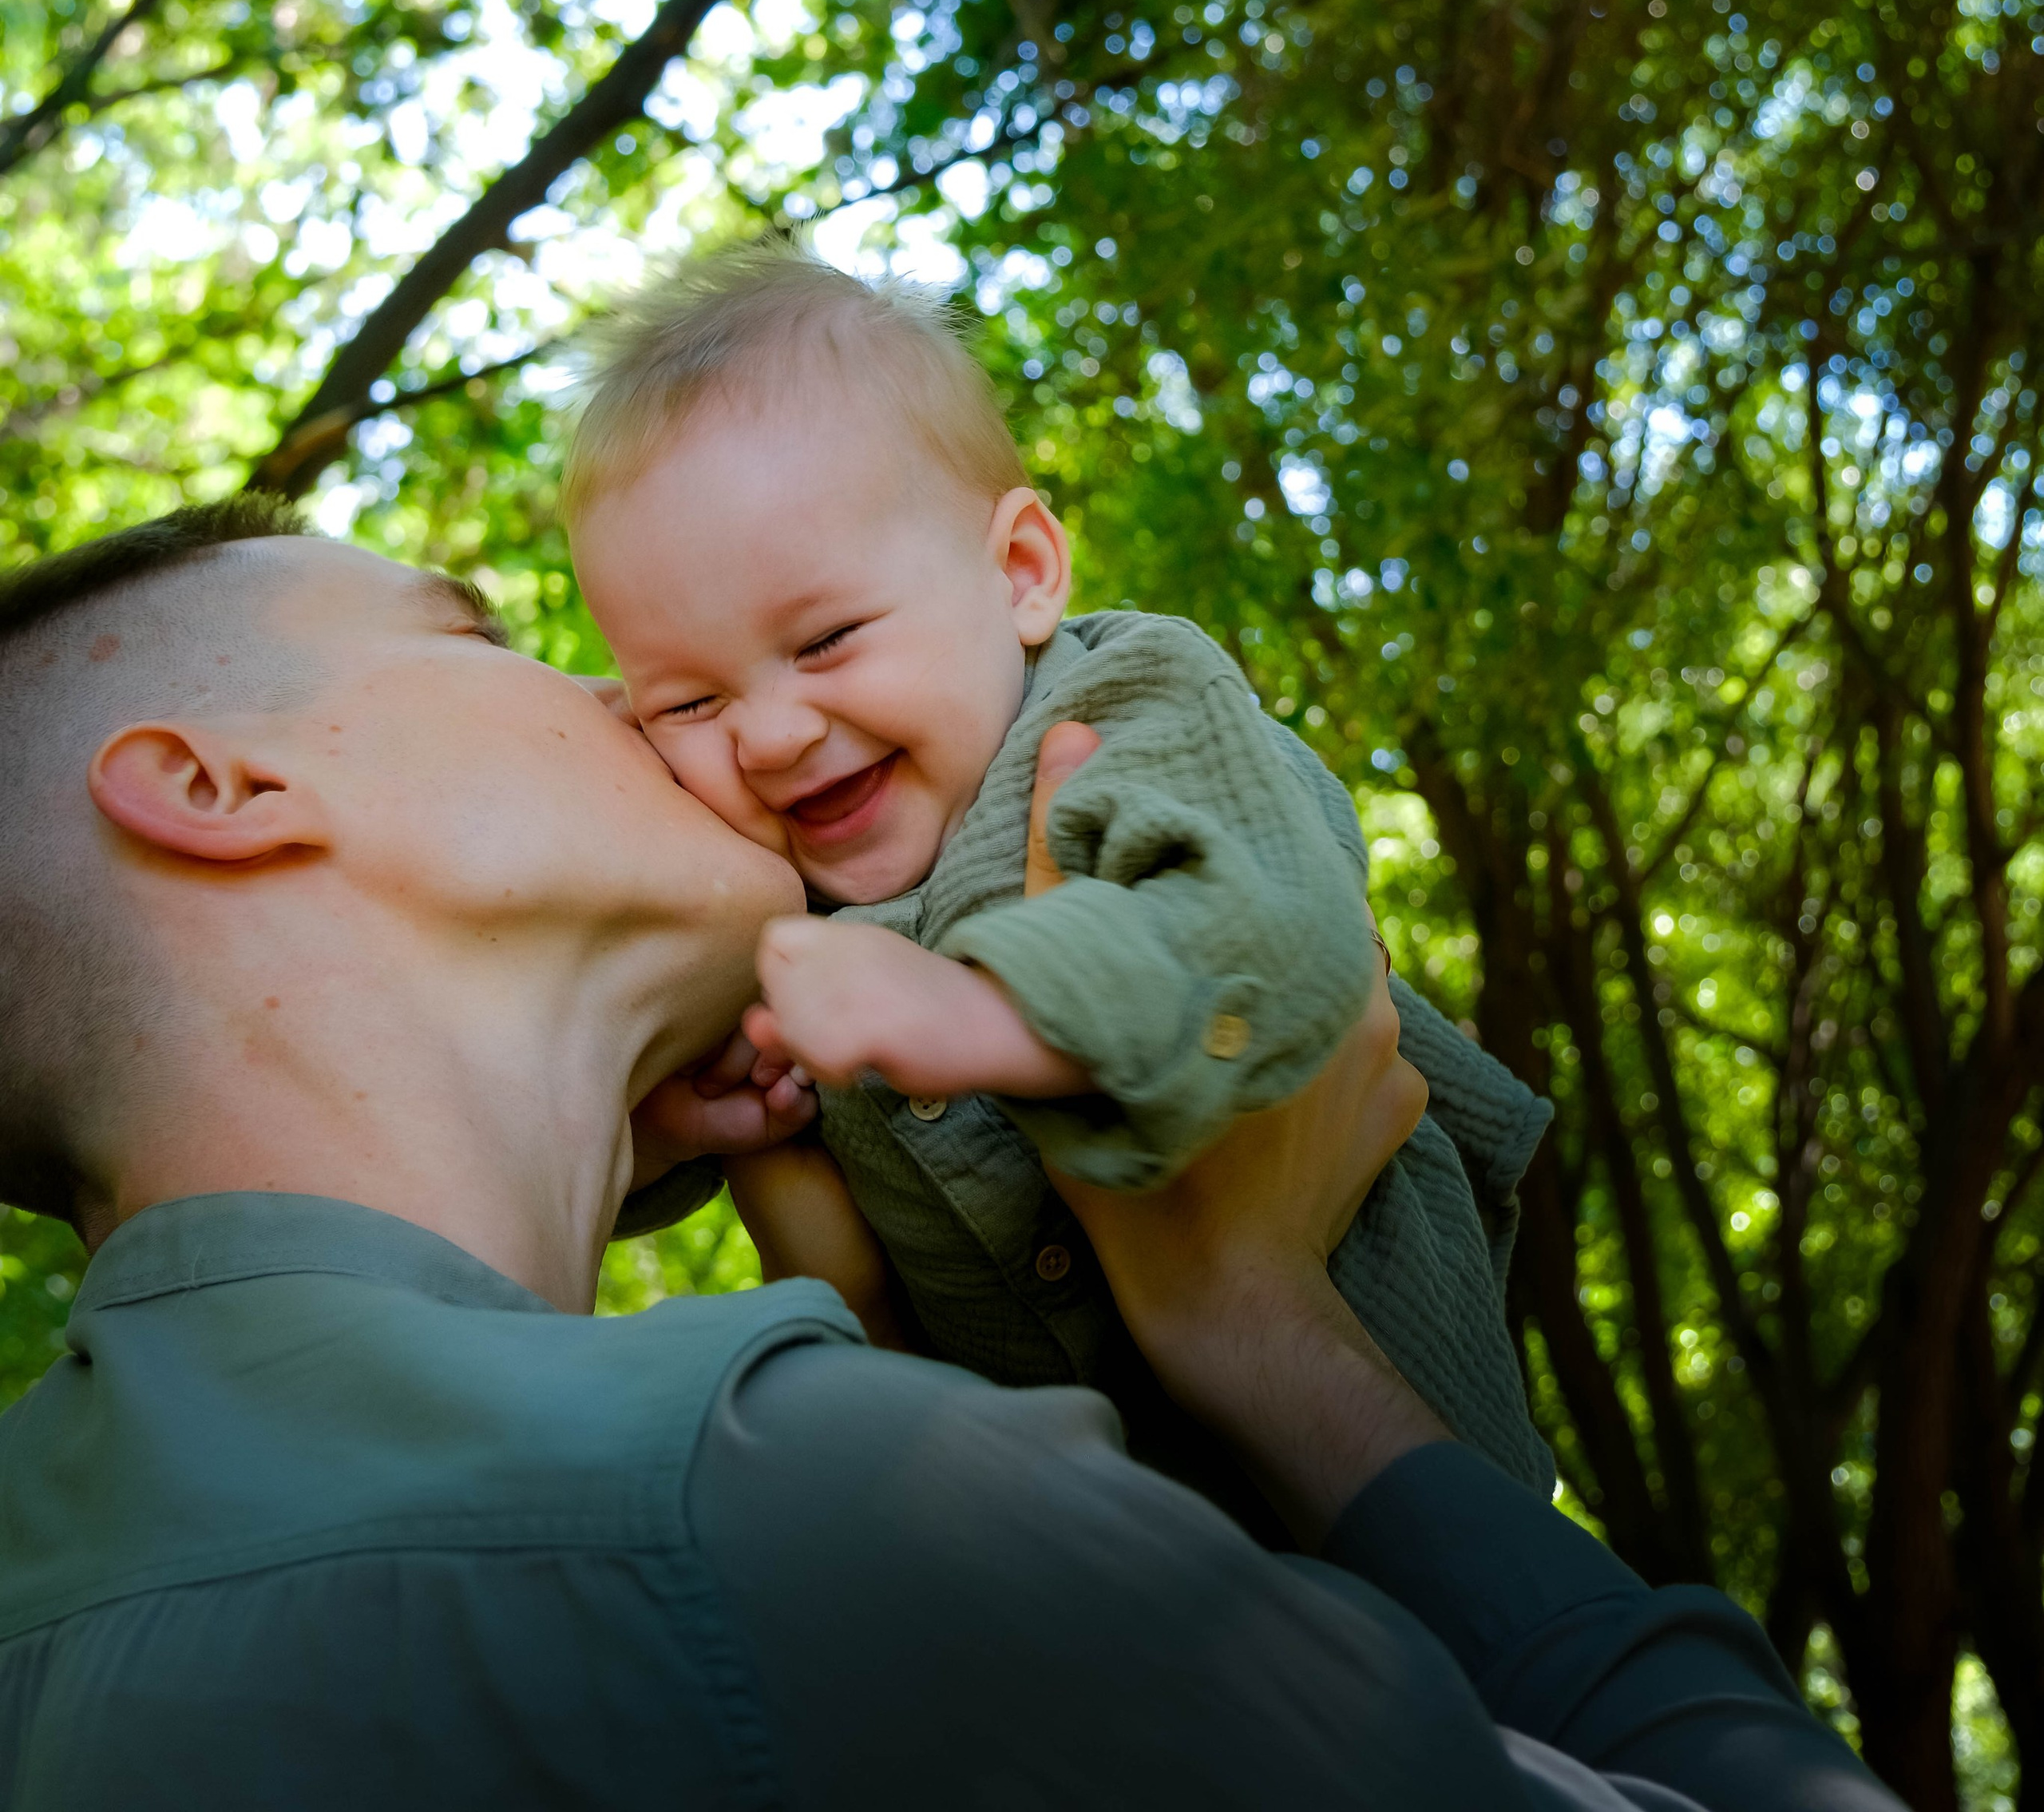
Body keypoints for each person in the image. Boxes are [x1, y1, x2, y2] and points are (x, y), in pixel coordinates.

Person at [0, 499, 1891, 1810]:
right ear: (221, 791)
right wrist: (1255, 1328)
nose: (638, 705)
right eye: (477, 634)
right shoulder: (776, 1507)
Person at [571, 239, 1551, 1491]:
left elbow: (1275, 937)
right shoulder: (768, 894)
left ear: (1021, 574)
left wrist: (1000, 1012)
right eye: (690, 703)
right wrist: (664, 1135)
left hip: (1397, 1463)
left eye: (825, 640)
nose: (767, 736)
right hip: (1101, 1556)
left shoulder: (1130, 710)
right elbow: (559, 1172)